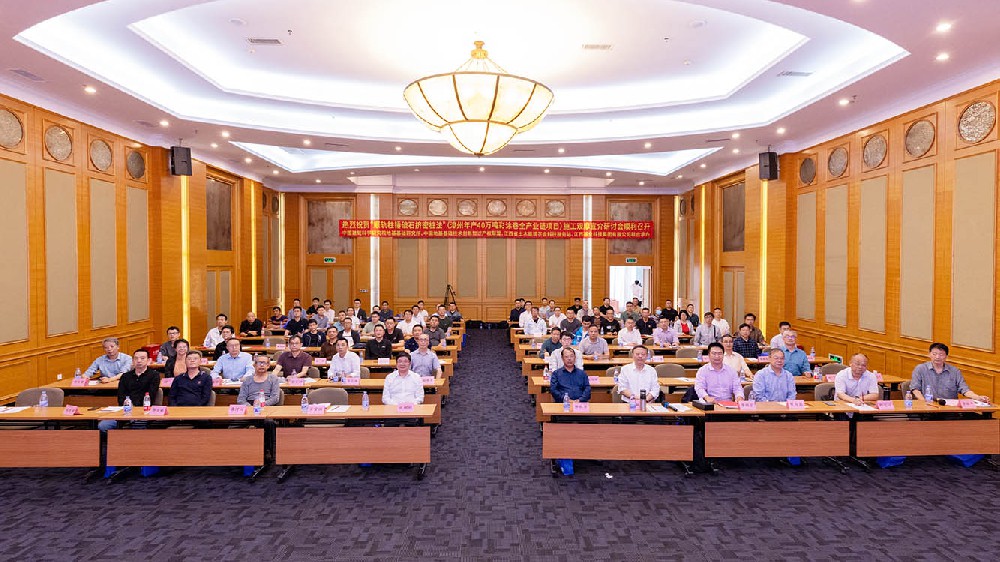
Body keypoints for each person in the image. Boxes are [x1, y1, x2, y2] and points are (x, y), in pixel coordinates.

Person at [98, 349, 162, 432]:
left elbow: (151, 395)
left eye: (142, 358)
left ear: (148, 360)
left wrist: (135, 409)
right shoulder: (125, 376)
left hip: (144, 411)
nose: (139, 361)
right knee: (103, 425)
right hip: (126, 410)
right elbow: (121, 396)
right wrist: (128, 407)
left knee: (138, 424)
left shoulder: (154, 375)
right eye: (136, 358)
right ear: (132, 361)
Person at [910, 343, 989, 402]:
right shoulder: (921, 369)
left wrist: (978, 397)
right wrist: (923, 402)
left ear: (946, 357)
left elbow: (965, 389)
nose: (937, 357)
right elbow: (915, 389)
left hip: (949, 409)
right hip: (928, 407)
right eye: (934, 354)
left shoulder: (954, 371)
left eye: (941, 354)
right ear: (929, 354)